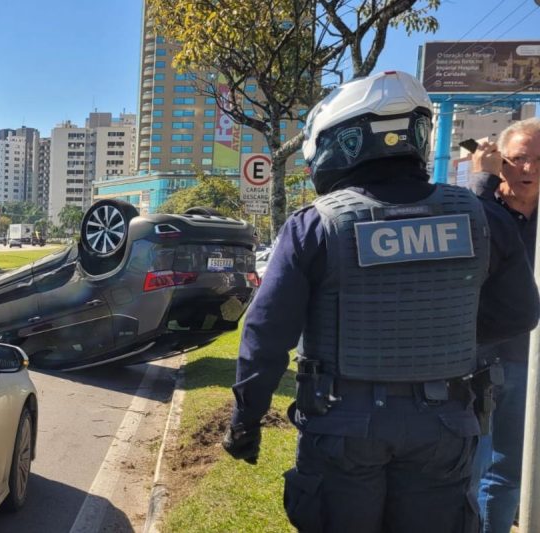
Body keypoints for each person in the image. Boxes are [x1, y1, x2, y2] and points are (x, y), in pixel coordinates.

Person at [221, 71, 540, 533]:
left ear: (341, 143)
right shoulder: (481, 217)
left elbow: (266, 335)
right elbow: (519, 313)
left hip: (342, 427)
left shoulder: (315, 225)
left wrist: (246, 421)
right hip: (445, 425)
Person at [468, 117, 540, 533]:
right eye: (518, 159)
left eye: (538, 159)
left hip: (527, 360)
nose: (528, 169)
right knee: (468, 463)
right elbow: (465, 236)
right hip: (475, 355)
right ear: (500, 162)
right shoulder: (480, 206)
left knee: (507, 469)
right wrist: (481, 180)